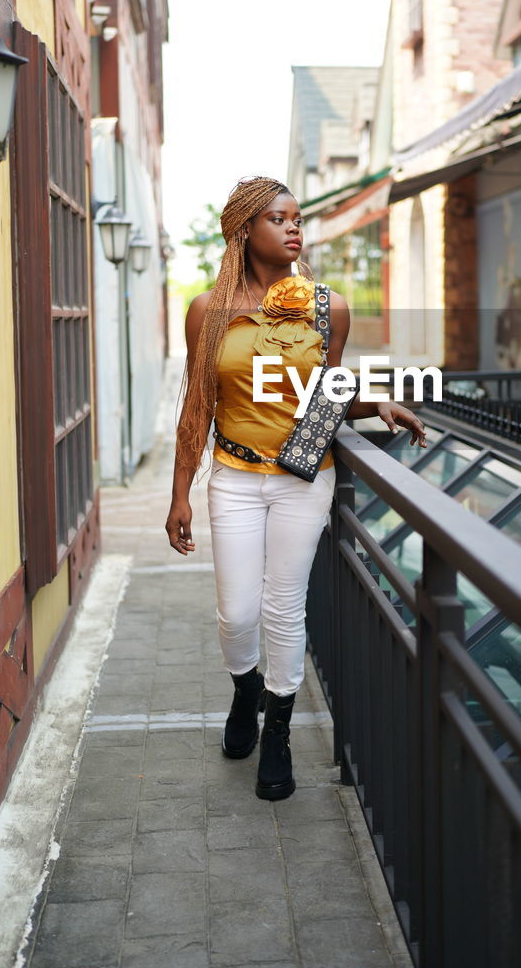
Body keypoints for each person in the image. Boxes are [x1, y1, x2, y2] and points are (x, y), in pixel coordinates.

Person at [165, 176, 427, 801]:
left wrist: (377, 403)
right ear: (245, 229)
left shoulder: (326, 307)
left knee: (284, 606)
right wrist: (179, 493)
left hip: (303, 482)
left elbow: (325, 395)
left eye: (298, 218)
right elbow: (198, 404)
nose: (294, 229)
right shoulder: (207, 311)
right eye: (279, 219)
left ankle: (277, 730)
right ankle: (244, 690)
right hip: (232, 477)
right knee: (237, 611)